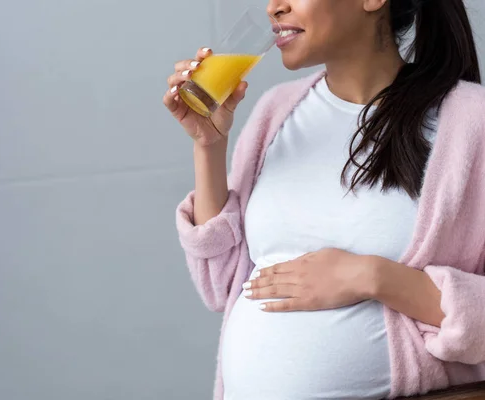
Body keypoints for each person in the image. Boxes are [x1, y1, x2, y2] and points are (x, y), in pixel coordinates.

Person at [164, 0, 485, 399]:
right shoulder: (276, 112)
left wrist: (372, 277)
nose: (274, 7)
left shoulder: (471, 122)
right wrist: (208, 146)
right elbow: (221, 285)